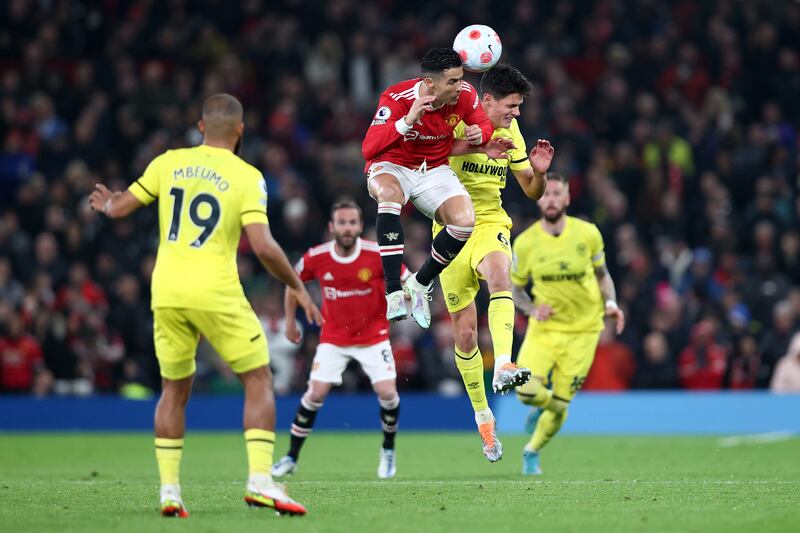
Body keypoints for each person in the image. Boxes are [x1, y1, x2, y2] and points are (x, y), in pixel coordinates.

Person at [88, 94, 322, 517]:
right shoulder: (247, 175)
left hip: (168, 290)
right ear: (240, 130)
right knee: (258, 378)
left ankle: (170, 491)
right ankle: (260, 481)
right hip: (215, 289)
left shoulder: (168, 162)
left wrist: (106, 202)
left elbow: (120, 206)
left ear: (200, 127)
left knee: (174, 389)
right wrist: (297, 285)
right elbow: (264, 246)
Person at [436, 63, 554, 462]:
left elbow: (532, 191)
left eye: (519, 107)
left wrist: (537, 174)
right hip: (450, 228)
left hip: (489, 222)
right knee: (465, 335)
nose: (516, 113)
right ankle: (483, 417)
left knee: (500, 274)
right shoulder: (454, 122)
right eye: (512, 105)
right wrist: (474, 146)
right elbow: (428, 153)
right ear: (486, 100)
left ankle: (504, 362)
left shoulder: (512, 132)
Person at [362, 47, 494, 332]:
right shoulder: (396, 98)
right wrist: (407, 120)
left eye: (460, 79)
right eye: (452, 82)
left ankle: (419, 283)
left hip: (433, 168)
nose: (460, 86)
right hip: (392, 165)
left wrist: (480, 134)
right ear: (430, 84)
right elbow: (369, 148)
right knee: (389, 195)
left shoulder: (466, 95)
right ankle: (394, 291)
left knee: (465, 222)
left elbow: (483, 123)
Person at [272, 200, 405, 479]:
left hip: (374, 336)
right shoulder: (316, 257)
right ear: (332, 227)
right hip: (333, 338)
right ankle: (291, 457)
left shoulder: (377, 253)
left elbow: (406, 278)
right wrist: (289, 320)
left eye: (352, 222)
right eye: (342, 223)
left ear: (360, 226)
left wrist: (407, 296)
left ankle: (388, 450)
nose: (347, 228)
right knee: (315, 394)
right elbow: (292, 282)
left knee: (388, 394)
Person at [511, 173, 625, 475]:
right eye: (546, 195)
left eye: (556, 194)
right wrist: (532, 309)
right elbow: (515, 289)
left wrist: (611, 304)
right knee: (526, 393)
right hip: (545, 331)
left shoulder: (588, 234)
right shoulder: (525, 244)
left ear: (567, 198)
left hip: (584, 331)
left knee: (562, 400)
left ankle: (531, 451)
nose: (550, 200)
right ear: (540, 200)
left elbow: (602, 275)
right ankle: (547, 406)